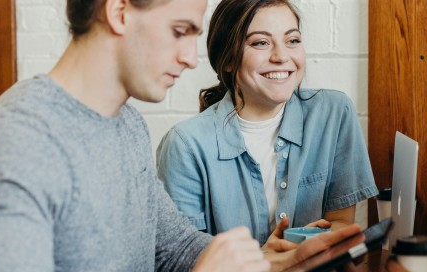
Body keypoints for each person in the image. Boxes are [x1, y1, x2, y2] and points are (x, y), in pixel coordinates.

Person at [0, 0, 362, 269]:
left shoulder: (126, 125)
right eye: (179, 31)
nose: (190, 58)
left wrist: (266, 260)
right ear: (119, 12)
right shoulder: (19, 141)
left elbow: (176, 249)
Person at [156, 0, 378, 248]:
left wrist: (307, 247)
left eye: (292, 40)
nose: (282, 56)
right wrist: (271, 259)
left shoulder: (334, 113)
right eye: (260, 42)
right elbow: (183, 255)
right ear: (227, 60)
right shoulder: (185, 145)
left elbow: (341, 223)